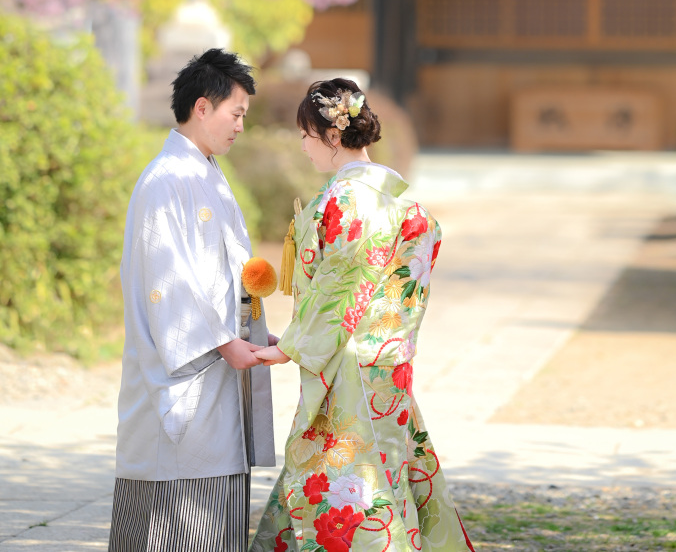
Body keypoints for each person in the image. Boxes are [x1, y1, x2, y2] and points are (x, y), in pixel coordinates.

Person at [251, 78, 474, 552]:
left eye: (307, 137)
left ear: (333, 137)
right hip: (390, 367)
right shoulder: (410, 210)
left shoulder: (345, 202)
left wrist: (289, 349)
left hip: (347, 368)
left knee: (349, 493)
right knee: (384, 480)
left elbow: (337, 291)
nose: (304, 148)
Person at [108, 48, 276, 552]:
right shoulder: (166, 180)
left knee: (212, 517)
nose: (240, 127)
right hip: (186, 376)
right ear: (202, 107)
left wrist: (254, 334)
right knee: (177, 523)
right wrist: (228, 343)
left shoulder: (204, 174)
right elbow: (170, 283)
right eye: (236, 114)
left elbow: (224, 278)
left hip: (217, 371)